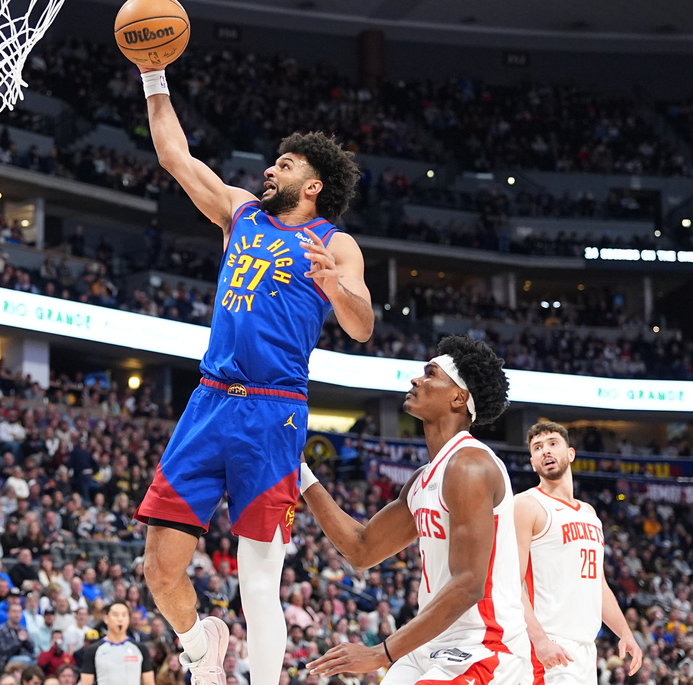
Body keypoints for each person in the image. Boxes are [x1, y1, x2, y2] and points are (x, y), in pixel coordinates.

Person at [129, 59, 373, 685]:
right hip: (210, 401)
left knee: (258, 579)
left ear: (313, 185)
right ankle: (199, 643)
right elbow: (175, 157)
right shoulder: (241, 213)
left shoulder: (334, 243)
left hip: (272, 408)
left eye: (286, 165)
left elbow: (363, 325)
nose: (270, 169)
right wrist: (153, 75)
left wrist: (334, 288)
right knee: (159, 566)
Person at [302, 336, 530, 684]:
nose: (416, 380)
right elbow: (362, 549)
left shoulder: (470, 465)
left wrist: (380, 653)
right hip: (429, 647)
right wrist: (300, 473)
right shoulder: (424, 479)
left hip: (483, 648)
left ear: (458, 397)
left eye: (431, 374)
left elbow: (469, 584)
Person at [514, 421, 643, 684]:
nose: (546, 451)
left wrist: (624, 632)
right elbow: (510, 582)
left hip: (585, 648)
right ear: (532, 462)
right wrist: (540, 640)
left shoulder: (590, 514)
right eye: (538, 448)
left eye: (553, 444)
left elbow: (598, 583)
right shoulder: (526, 505)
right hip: (549, 645)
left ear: (570, 454)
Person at [79, 602, 153, 685]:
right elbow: (86, 682)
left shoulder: (140, 649)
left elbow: (149, 682)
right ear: (106, 619)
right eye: (115, 615)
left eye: (124, 615)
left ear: (128, 619)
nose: (120, 619)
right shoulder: (93, 650)